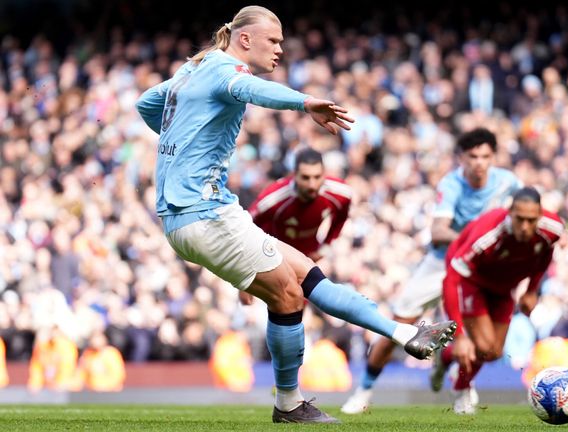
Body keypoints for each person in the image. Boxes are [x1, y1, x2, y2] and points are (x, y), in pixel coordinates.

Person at [135, 5, 456, 424]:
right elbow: (255, 92)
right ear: (245, 39)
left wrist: (184, 142)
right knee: (288, 295)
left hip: (203, 212)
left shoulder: (191, 72)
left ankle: (403, 332)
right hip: (202, 213)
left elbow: (146, 103)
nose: (280, 50)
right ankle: (290, 402)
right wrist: (306, 103)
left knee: (306, 275)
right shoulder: (225, 70)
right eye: (274, 41)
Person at [342, 128, 523, 414]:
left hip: (478, 271)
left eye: (485, 156)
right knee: (397, 328)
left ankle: (462, 389)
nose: (479, 163)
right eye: (473, 156)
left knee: (478, 337)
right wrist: (474, 242)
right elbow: (438, 230)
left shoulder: (508, 183)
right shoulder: (451, 184)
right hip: (441, 263)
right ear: (461, 158)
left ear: (494, 158)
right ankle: (363, 390)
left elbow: (524, 214)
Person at [436, 187, 563, 414]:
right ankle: (460, 388)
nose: (525, 227)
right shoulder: (488, 236)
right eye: (519, 219)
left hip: (504, 287)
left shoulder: (552, 229)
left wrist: (532, 290)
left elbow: (546, 252)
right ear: (509, 213)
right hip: (472, 282)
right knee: (482, 346)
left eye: (531, 220)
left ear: (540, 216)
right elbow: (451, 279)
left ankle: (445, 357)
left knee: (493, 352)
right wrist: (459, 335)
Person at [249, 148, 352, 262]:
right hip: (276, 259)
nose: (312, 185)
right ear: (295, 175)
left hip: (309, 258)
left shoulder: (341, 193)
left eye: (317, 177)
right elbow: (247, 226)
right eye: (305, 177)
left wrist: (325, 248)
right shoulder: (273, 199)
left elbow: (341, 218)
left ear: (324, 174)